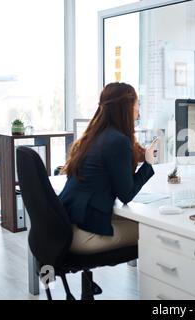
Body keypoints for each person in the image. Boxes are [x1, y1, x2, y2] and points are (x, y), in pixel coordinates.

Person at [59, 82, 157, 255]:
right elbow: (126, 195)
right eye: (137, 104)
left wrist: (136, 156)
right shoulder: (118, 141)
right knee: (157, 232)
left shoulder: (95, 136)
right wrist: (148, 163)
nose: (138, 112)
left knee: (142, 223)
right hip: (85, 235)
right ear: (126, 107)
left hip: (67, 226)